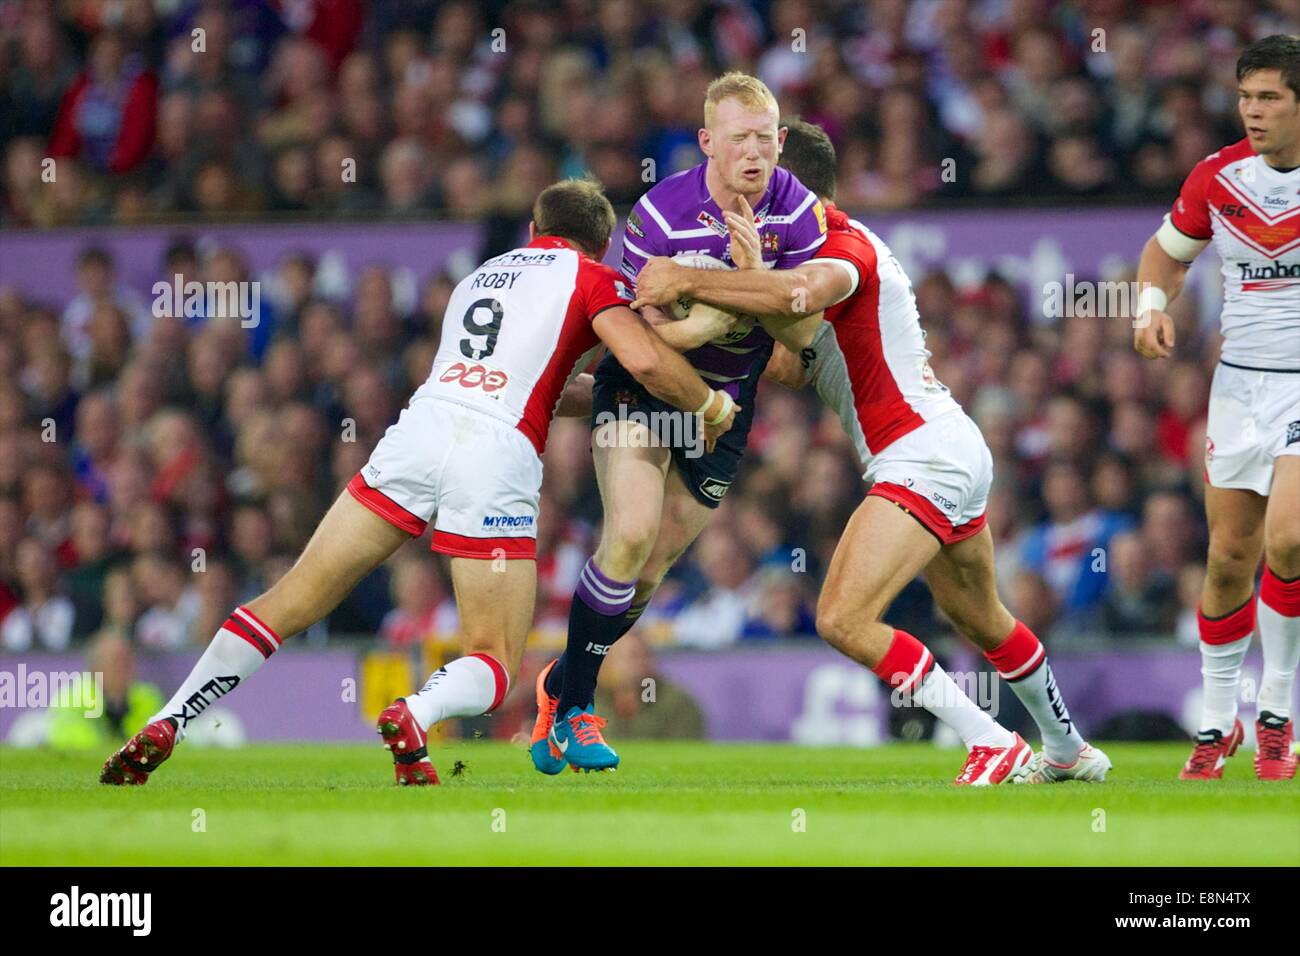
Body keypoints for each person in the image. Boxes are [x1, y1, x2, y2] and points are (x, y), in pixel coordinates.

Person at [100, 177, 737, 787]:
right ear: (602, 245)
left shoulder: (476, 279)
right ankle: (416, 714)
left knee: (293, 597)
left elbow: (536, 384)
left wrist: (600, 394)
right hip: (494, 452)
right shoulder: (595, 278)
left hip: (420, 429)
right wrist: (708, 405)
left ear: (533, 229)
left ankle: (170, 718)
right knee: (494, 658)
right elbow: (646, 360)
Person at [633, 119, 1112, 785]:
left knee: (842, 618)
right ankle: (1069, 751)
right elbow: (797, 361)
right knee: (982, 618)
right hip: (945, 446)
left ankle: (990, 740)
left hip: (920, 455)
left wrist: (685, 278)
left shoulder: (841, 246)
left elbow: (792, 296)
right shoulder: (796, 259)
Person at [530, 72, 829, 774]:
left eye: (765, 139)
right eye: (738, 140)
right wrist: (740, 303)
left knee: (652, 565)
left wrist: (752, 286)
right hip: (646, 390)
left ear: (781, 141)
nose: (755, 153)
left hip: (727, 411)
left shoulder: (799, 213)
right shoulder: (662, 213)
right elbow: (646, 336)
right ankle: (579, 708)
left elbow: (807, 329)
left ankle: (559, 681)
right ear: (707, 143)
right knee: (628, 534)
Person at [1132, 35, 1299, 781]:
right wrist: (1149, 307)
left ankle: (1277, 716)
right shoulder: (1217, 177)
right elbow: (1165, 253)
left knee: (1289, 541)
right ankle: (1215, 722)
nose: (1253, 111)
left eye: (1270, 97)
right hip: (1239, 387)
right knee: (1231, 556)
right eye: (1246, 97)